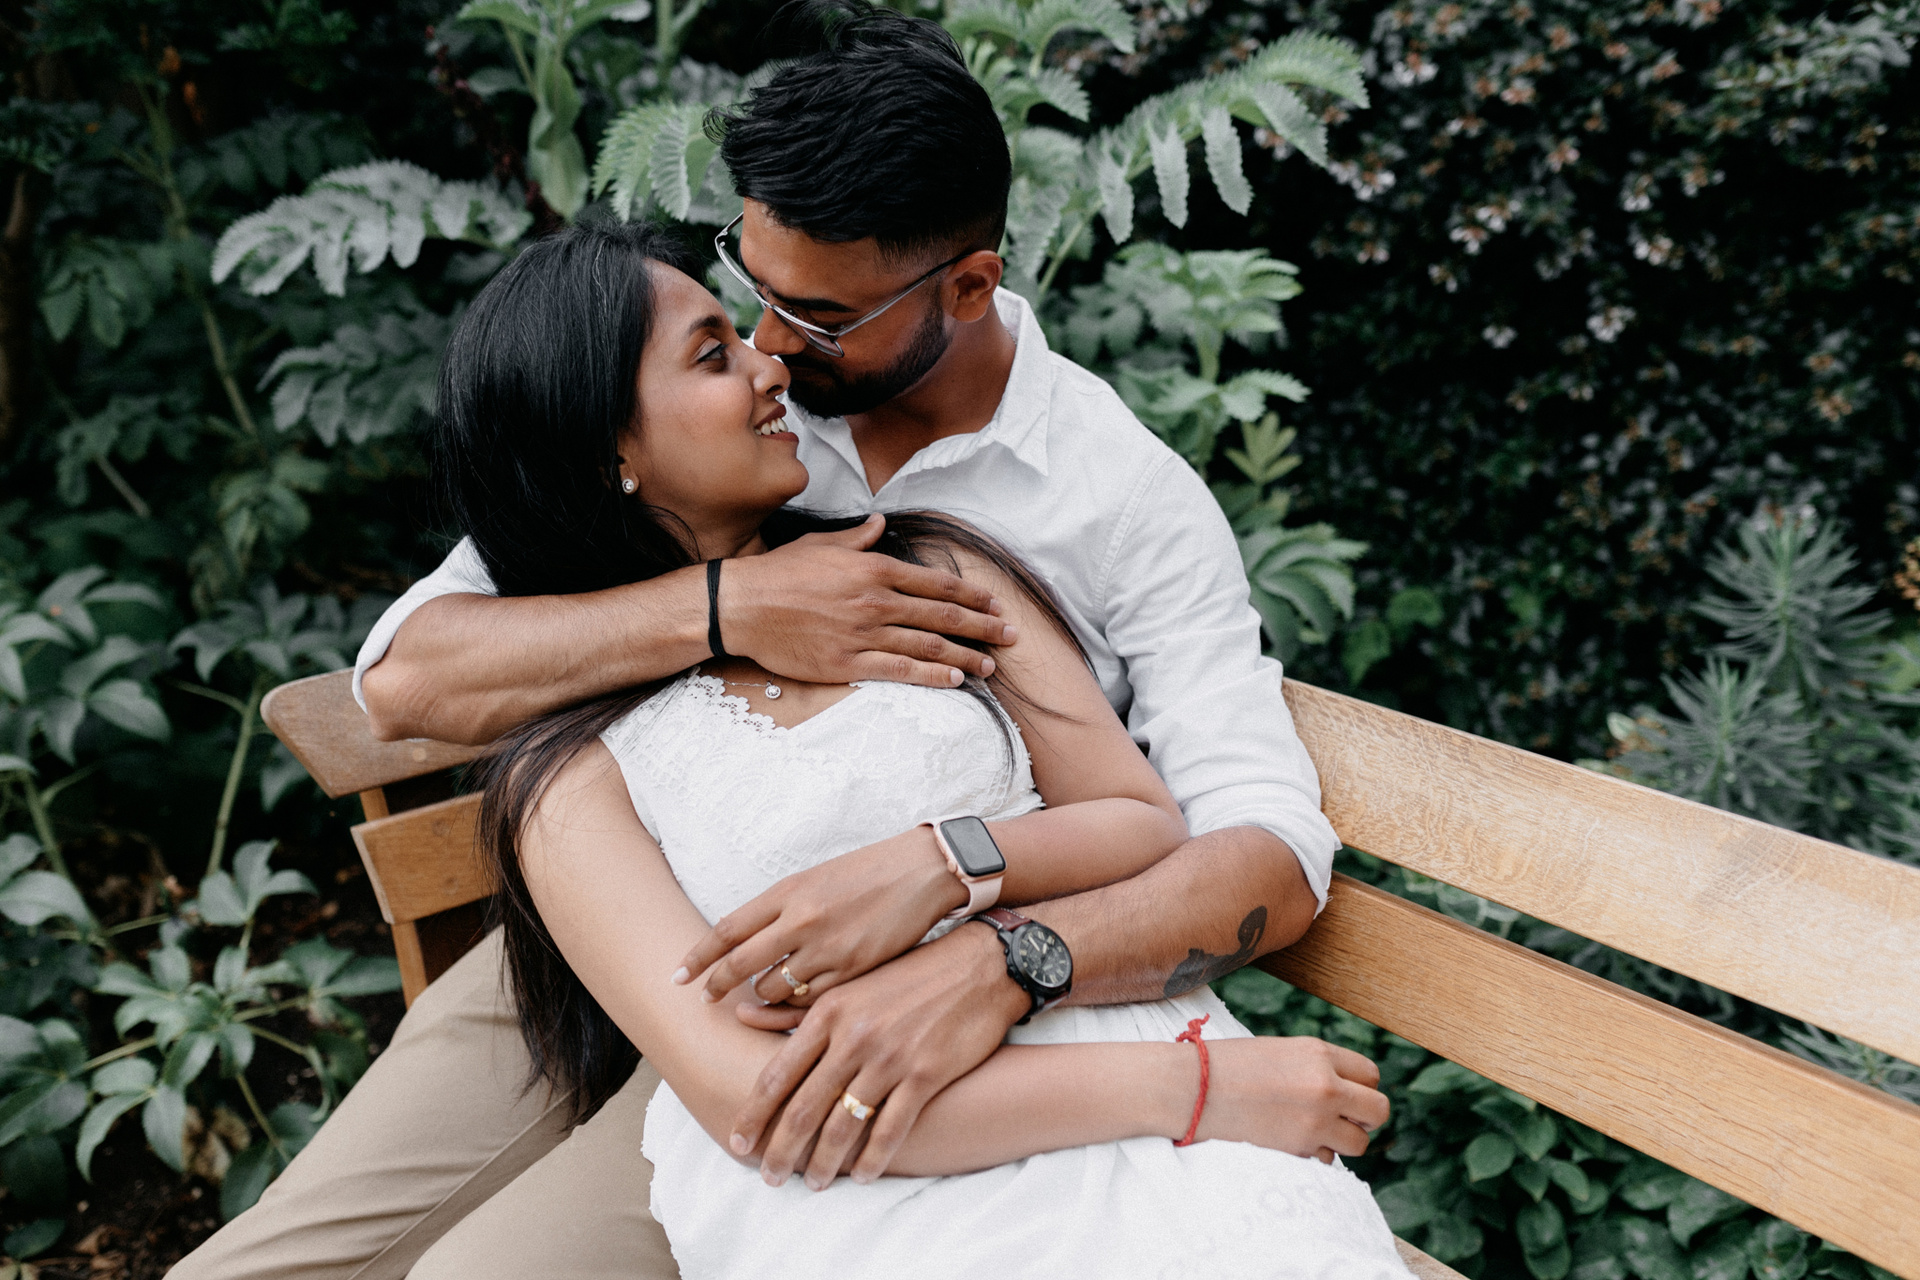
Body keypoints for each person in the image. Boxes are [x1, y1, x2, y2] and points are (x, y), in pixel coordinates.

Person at [172, 8, 1354, 1278]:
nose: (775, 348)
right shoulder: (719, 420)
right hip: (622, 929)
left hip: (901, 984)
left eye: (819, 316)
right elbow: (410, 678)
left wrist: (998, 951)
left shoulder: (1117, 502)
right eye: (752, 289)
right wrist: (731, 607)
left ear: (968, 285)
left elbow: (1265, 850)